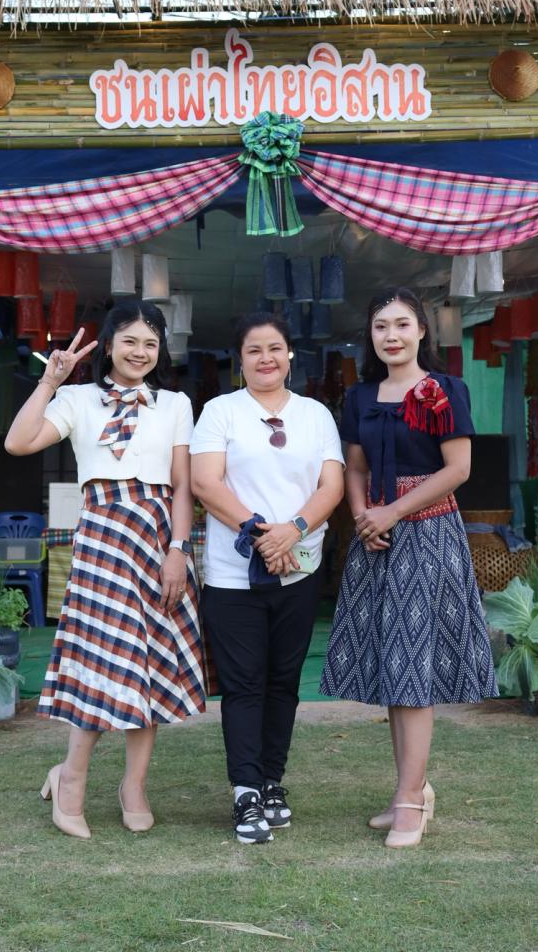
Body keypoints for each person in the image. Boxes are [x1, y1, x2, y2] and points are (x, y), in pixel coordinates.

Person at [4, 301, 205, 839]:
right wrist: (50, 382)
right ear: (110, 344)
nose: (140, 352)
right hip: (101, 538)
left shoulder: (176, 404)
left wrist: (179, 550)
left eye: (150, 343)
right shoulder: (77, 399)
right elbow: (18, 442)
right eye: (130, 341)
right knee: (99, 659)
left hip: (158, 537)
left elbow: (183, 486)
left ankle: (133, 786)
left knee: (151, 662)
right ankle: (70, 779)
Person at [320, 287, 498, 849]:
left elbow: (458, 469)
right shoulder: (359, 396)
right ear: (370, 336)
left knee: (413, 667)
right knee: (392, 668)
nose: (391, 335)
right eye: (381, 326)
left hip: (428, 534)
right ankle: (411, 789)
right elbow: (354, 468)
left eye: (401, 324)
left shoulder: (445, 390)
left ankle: (410, 800)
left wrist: (392, 511)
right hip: (375, 538)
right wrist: (363, 518)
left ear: (421, 330)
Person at [190, 312, 344, 844]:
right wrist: (262, 535)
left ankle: (272, 781)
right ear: (240, 359)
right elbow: (206, 483)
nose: (266, 358)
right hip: (234, 575)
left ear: (290, 354)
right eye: (254, 350)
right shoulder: (220, 411)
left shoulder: (315, 415)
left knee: (283, 682)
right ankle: (245, 791)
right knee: (243, 684)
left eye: (275, 348)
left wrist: (292, 532)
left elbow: (331, 486)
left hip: (299, 569)